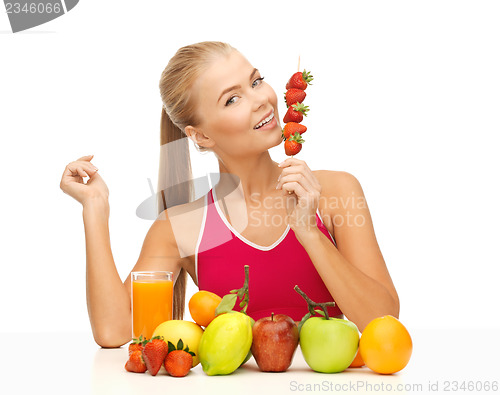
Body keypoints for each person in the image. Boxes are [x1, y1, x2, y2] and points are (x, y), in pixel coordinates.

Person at [60, 41, 399, 348]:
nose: (261, 101)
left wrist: (309, 231)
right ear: (201, 136)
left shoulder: (335, 192)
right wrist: (95, 208)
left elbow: (384, 320)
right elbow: (114, 331)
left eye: (255, 81)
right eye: (232, 99)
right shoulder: (183, 226)